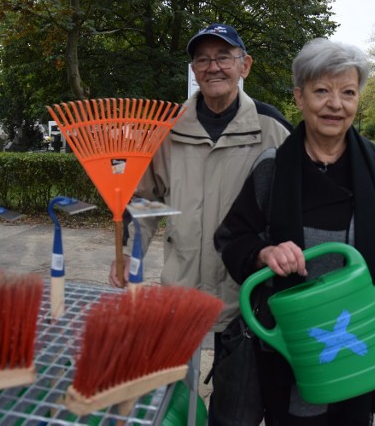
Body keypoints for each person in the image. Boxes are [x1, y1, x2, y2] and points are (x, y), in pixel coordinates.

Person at [213, 38, 375, 425]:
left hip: (358, 348)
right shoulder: (272, 168)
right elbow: (231, 238)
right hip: (291, 346)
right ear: (300, 97)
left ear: (358, 100)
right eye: (321, 90)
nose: (335, 104)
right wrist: (264, 254)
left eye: (348, 92)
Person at [107, 21, 292, 417]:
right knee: (171, 404)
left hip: (245, 297)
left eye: (224, 57)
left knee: (235, 409)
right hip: (181, 290)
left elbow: (302, 197)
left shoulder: (271, 128)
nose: (214, 67)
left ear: (245, 66)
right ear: (193, 70)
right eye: (203, 59)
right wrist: (129, 255)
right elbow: (144, 200)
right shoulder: (168, 130)